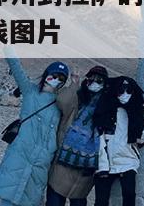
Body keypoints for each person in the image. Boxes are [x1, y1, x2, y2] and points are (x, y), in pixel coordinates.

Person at [0, 48, 70, 206]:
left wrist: (76, 83)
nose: (56, 80)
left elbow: (74, 102)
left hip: (42, 158)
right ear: (47, 74)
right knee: (10, 192)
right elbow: (17, 69)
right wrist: (8, 49)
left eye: (61, 78)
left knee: (30, 198)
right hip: (21, 151)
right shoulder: (29, 91)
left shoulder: (60, 103)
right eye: (54, 75)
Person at [46, 66, 109, 206]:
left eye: (99, 81)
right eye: (91, 79)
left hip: (85, 169)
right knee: (54, 200)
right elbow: (62, 101)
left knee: (78, 200)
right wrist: (74, 84)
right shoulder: (79, 97)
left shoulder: (106, 106)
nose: (94, 83)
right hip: (63, 160)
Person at [92, 76, 144, 206]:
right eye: (121, 91)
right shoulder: (105, 110)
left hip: (127, 160)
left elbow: (142, 138)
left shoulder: (136, 111)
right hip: (105, 162)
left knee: (129, 196)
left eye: (128, 91)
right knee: (101, 201)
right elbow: (98, 137)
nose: (125, 94)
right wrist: (102, 164)